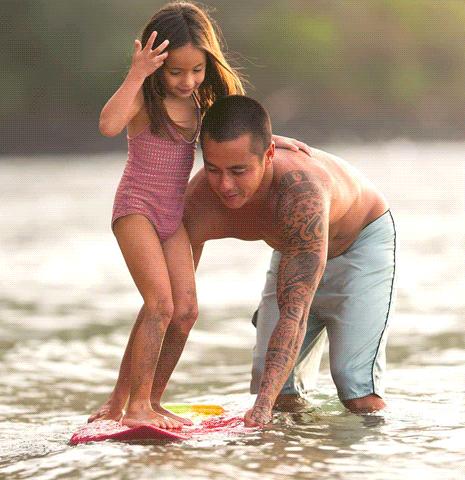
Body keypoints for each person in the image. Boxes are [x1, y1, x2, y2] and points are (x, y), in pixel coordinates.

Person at [92, 2, 310, 429]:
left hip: (171, 217)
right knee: (159, 304)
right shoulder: (144, 98)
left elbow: (240, 128)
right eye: (176, 71)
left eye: (196, 70)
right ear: (157, 63)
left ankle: (148, 400)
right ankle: (133, 405)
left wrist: (274, 141)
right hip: (136, 209)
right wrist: (136, 73)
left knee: (185, 310)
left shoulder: (200, 102)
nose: (187, 80)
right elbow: (107, 125)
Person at [182, 95, 397, 427]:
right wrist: (137, 400)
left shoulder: (300, 196)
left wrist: (261, 409)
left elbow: (293, 315)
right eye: (213, 169)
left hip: (359, 243)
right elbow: (172, 306)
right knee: (276, 388)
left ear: (268, 155)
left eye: (238, 171)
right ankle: (299, 451)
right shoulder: (199, 199)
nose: (224, 185)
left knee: (355, 387)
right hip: (296, 246)